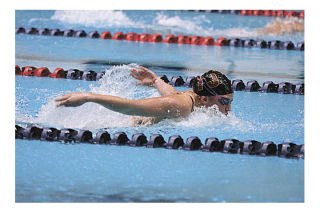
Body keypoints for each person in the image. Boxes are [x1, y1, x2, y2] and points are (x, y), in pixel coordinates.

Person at [55, 66, 234, 125]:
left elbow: (173, 98)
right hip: (116, 125)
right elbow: (132, 106)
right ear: (204, 99)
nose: (228, 108)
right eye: (225, 102)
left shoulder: (191, 98)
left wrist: (156, 81)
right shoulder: (183, 105)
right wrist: (88, 97)